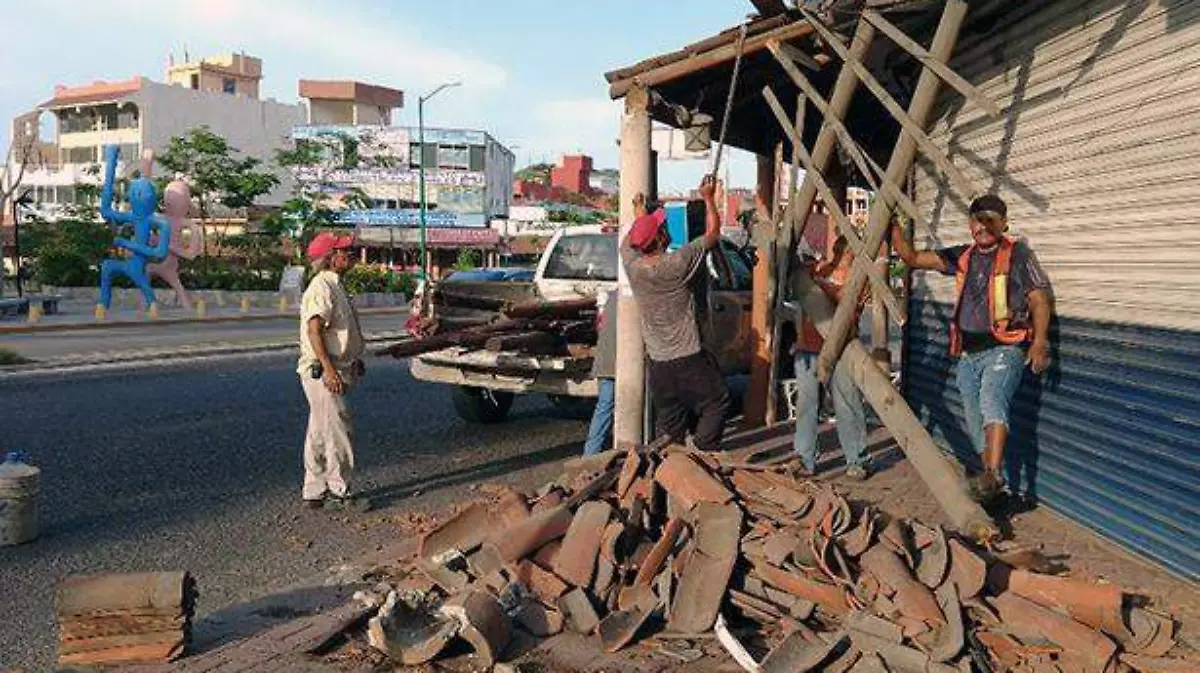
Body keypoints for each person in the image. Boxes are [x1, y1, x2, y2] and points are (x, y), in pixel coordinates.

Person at [890, 194, 1052, 502]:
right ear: (970, 225)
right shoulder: (962, 256)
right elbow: (911, 258)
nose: (983, 226)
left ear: (1003, 224)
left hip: (1006, 348)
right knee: (974, 416)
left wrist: (1041, 341)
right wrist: (892, 225)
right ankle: (990, 480)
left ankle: (992, 475)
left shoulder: (1018, 255)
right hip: (968, 355)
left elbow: (1039, 298)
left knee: (993, 399)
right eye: (977, 220)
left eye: (991, 219)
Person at [621, 175, 730, 451]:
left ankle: (663, 481)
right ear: (659, 238)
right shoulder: (678, 263)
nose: (666, 227)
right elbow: (713, 234)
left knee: (670, 430)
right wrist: (708, 197)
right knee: (716, 401)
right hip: (689, 359)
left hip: (658, 364)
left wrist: (640, 215)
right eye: (662, 226)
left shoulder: (633, 266)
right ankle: (703, 454)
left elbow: (630, 241)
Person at [298, 232, 369, 511]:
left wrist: (353, 358)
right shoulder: (321, 287)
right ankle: (339, 491)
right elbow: (314, 331)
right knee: (338, 430)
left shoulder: (336, 285)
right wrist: (329, 370)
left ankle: (314, 491)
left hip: (334, 367)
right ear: (331, 257)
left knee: (319, 430)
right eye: (346, 252)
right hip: (322, 372)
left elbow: (338, 332)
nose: (351, 256)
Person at [792, 235, 870, 480]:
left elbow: (845, 299)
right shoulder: (818, 268)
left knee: (848, 404)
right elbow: (797, 277)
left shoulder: (859, 278)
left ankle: (857, 459)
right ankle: (805, 458)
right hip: (810, 346)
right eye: (839, 248)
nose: (841, 252)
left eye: (845, 250)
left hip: (843, 348)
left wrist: (820, 285)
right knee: (807, 405)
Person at [583, 289, 619, 456]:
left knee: (604, 407)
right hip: (620, 362)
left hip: (605, 361)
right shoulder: (637, 295)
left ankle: (590, 455)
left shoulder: (610, 297)